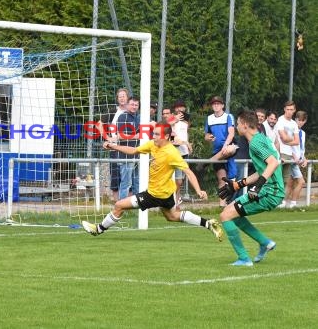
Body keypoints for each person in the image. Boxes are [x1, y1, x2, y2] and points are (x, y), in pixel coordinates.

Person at [81, 121, 222, 241]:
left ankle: (98, 229)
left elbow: (189, 172)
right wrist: (113, 146)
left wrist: (198, 190)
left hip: (154, 195)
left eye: (156, 134)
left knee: (119, 205)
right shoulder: (153, 145)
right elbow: (134, 150)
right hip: (166, 194)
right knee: (173, 216)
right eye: (153, 133)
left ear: (166, 136)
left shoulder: (172, 153)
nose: (153, 137)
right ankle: (209, 224)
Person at [217, 110, 284, 266]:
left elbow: (273, 163)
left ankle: (244, 258)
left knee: (225, 215)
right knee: (234, 215)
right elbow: (262, 170)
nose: (237, 127)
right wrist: (238, 184)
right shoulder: (260, 139)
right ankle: (264, 243)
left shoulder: (255, 142)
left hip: (269, 192)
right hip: (271, 191)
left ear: (245, 125)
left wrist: (257, 187)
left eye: (238, 124)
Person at [98, 89, 138, 200]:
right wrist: (107, 138)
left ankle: (129, 202)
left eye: (124, 96)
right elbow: (99, 124)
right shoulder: (113, 111)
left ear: (128, 97)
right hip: (116, 147)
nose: (121, 98)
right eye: (119, 96)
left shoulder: (133, 113)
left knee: (131, 176)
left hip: (130, 147)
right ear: (117, 98)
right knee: (116, 175)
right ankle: (117, 202)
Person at [204, 95, 237, 208]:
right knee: (222, 178)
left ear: (222, 105)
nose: (216, 105)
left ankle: (208, 162)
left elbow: (231, 133)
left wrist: (225, 145)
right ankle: (222, 205)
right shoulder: (209, 118)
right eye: (214, 104)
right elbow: (206, 135)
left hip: (228, 147)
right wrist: (208, 137)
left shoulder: (229, 116)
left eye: (218, 103)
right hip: (216, 151)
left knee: (230, 150)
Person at [273, 100, 299, 208]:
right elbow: (282, 138)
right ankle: (273, 200)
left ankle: (281, 200)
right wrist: (290, 139)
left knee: (285, 180)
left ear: (294, 110)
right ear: (284, 109)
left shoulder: (294, 124)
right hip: (280, 152)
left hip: (289, 153)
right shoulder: (280, 121)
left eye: (291, 109)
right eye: (287, 109)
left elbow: (297, 141)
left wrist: (288, 140)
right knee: (276, 178)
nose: (289, 111)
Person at [284, 110, 308, 208]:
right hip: (292, 160)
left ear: (305, 121)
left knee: (290, 182)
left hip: (298, 160)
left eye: (303, 120)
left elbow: (301, 148)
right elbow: (288, 145)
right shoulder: (291, 131)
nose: (300, 122)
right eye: (299, 120)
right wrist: (295, 157)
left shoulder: (303, 133)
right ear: (295, 119)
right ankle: (293, 204)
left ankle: (283, 203)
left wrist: (304, 159)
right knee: (301, 182)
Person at [172, 101, 192, 203]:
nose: (179, 109)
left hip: (184, 151)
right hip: (175, 151)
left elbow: (185, 134)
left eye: (182, 107)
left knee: (181, 179)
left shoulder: (186, 121)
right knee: (178, 180)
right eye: (177, 107)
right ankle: (174, 200)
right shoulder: (172, 119)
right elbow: (173, 138)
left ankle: (177, 198)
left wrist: (188, 144)